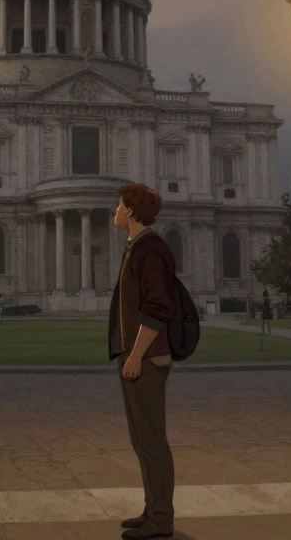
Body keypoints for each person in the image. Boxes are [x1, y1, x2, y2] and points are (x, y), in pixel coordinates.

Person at [108, 183, 178, 540]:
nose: (115, 211)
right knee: (143, 439)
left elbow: (157, 308)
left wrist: (135, 355)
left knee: (152, 440)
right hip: (138, 355)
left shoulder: (149, 250)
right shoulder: (137, 248)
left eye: (119, 206)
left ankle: (161, 520)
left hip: (146, 358)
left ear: (132, 211)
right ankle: (153, 509)